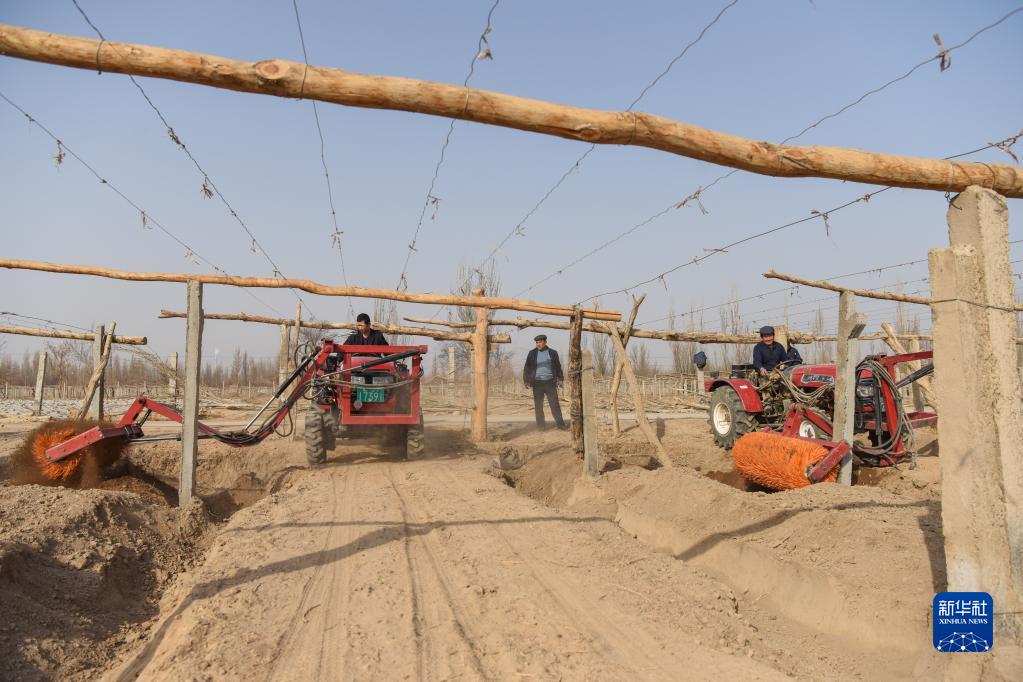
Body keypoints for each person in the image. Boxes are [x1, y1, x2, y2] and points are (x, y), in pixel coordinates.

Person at [522, 334, 567, 431]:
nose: (538, 344)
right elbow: (527, 368)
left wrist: (560, 379)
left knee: (554, 405)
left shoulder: (553, 353)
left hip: (550, 383)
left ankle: (561, 425)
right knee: (538, 406)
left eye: (540, 342)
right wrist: (526, 380)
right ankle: (541, 426)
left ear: (545, 342)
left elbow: (558, 366)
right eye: (536, 342)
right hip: (537, 383)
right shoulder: (532, 353)